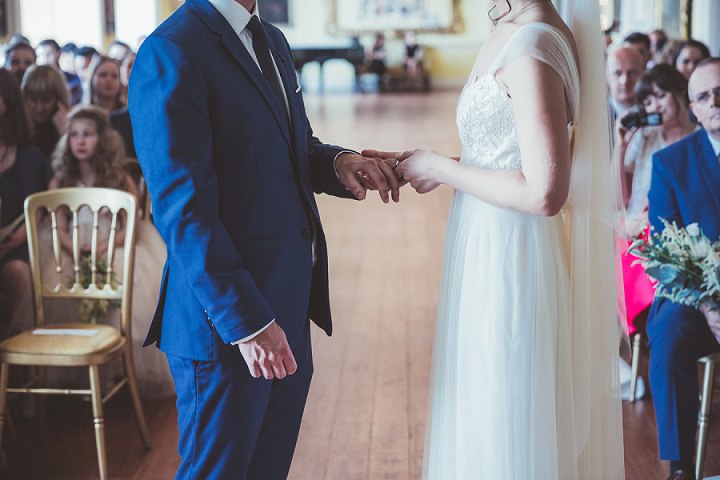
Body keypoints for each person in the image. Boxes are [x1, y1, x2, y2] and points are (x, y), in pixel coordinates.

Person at [128, 0, 399, 478]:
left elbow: (295, 146)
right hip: (228, 325)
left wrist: (338, 164)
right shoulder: (172, 50)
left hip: (288, 303)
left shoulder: (271, 39)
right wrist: (248, 325)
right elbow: (184, 212)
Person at [366, 0, 624, 477]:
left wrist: (438, 166)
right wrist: (433, 164)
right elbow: (504, 156)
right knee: (482, 398)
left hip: (512, 253)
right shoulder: (510, 27)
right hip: (485, 238)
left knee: (505, 400)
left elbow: (545, 191)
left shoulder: (533, 44)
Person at [44, 105, 173, 400]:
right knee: (64, 285)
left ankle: (117, 369)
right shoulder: (60, 180)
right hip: (73, 250)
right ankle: (85, 372)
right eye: (74, 135)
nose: (80, 141)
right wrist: (74, 248)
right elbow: (59, 226)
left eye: (87, 134)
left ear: (103, 139)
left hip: (115, 245)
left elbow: (133, 226)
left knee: (126, 284)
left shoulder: (119, 178)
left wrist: (104, 247)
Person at [646, 57, 720, 480]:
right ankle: (680, 465)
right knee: (668, 331)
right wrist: (709, 303)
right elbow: (666, 251)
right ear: (692, 108)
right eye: (705, 96)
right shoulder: (671, 162)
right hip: (695, 294)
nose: (715, 102)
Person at [614, 64, 698, 400]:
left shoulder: (700, 139)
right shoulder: (646, 139)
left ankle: (659, 334)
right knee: (615, 254)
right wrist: (620, 148)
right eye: (647, 103)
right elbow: (617, 200)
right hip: (635, 229)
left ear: (679, 92)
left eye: (660, 96)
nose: (655, 108)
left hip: (677, 236)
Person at [0, 68, 49, 338]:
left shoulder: (28, 155)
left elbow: (39, 207)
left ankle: (11, 345)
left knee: (17, 273)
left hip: (19, 241)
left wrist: (18, 236)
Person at [21, 64, 70, 159]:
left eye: (46, 100)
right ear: (25, 98)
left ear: (58, 99)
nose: (40, 108)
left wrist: (64, 132)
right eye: (34, 100)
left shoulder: (70, 127)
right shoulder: (18, 129)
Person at [35, 39, 83, 106]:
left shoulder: (74, 80)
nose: (44, 59)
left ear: (59, 53)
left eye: (49, 54)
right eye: (40, 56)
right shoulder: (33, 82)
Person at [607, 45, 646, 118]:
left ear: (643, 74)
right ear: (607, 77)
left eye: (632, 73)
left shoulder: (658, 110)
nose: (625, 81)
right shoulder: (595, 116)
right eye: (618, 73)